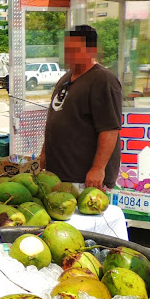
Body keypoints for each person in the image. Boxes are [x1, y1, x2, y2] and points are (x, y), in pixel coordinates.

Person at [40, 25, 122, 189]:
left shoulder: (103, 80)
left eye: (75, 49)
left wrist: (97, 169)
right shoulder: (65, 79)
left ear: (91, 50)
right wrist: (44, 154)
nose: (69, 54)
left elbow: (109, 130)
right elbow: (55, 120)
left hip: (85, 179)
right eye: (67, 49)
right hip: (58, 176)